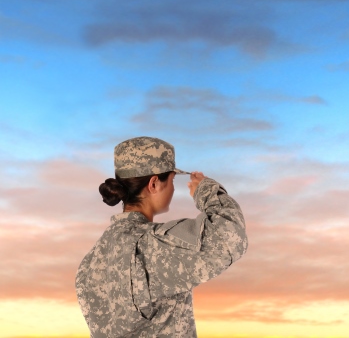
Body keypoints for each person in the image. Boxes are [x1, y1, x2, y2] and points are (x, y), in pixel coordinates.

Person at [75, 136, 248, 337]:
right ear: (154, 183)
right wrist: (207, 191)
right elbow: (229, 235)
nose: (174, 189)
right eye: (172, 180)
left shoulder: (91, 261)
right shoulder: (153, 245)